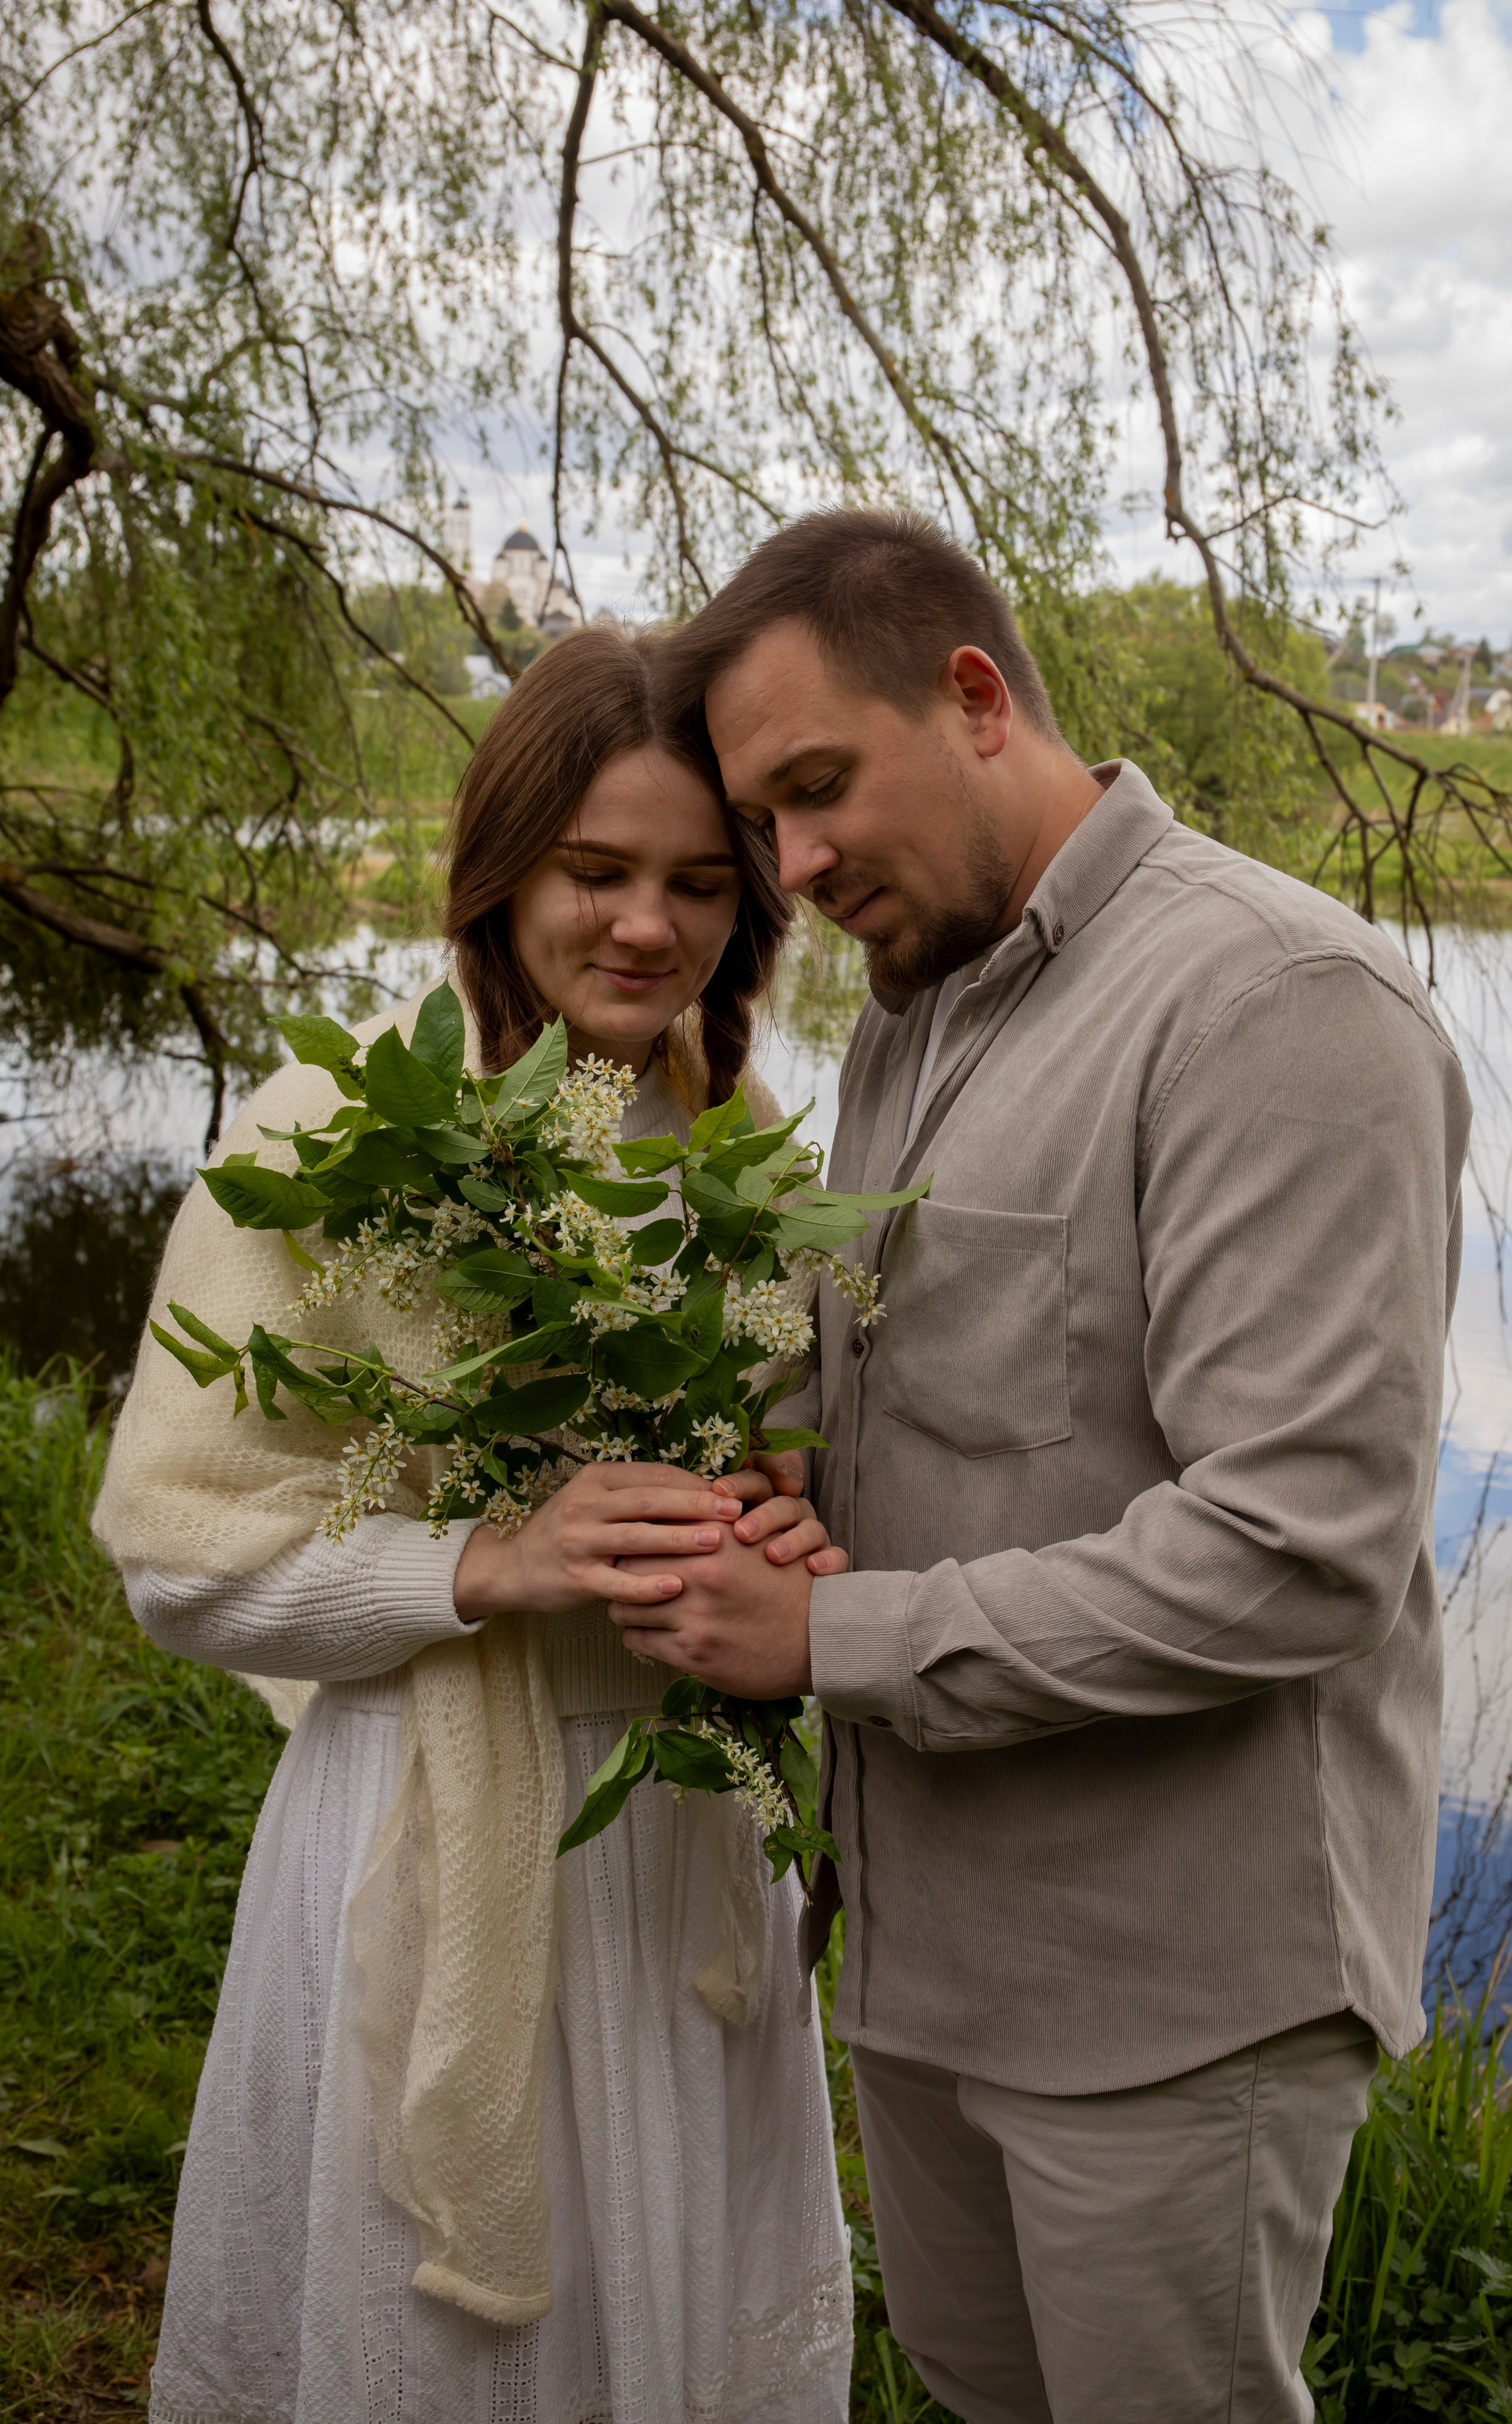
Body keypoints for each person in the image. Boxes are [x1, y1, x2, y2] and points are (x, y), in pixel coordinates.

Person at [608, 509, 1472, 2422]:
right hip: (931, 1961)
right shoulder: (909, 1024)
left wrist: (823, 1645)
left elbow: (1297, 1547)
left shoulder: (1270, 1007)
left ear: (978, 698)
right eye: (763, 823)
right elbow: (945, 1427)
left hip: (1172, 1997)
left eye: (817, 789)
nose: (794, 866)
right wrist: (781, 1498)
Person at [93, 624, 856, 2424]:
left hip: (676, 1840)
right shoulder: (329, 1131)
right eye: (596, 871)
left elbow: (784, 1452)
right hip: (439, 1822)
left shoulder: (739, 1145)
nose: (645, 928)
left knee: (677, 2312)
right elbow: (181, 1553)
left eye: (696, 883)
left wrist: (782, 1511)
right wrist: (478, 1562)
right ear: (504, 862)